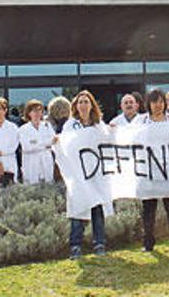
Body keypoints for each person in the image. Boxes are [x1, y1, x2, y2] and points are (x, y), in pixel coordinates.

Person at [63, 90, 111, 259]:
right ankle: (75, 246)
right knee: (78, 209)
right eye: (80, 102)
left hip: (96, 173)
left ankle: (99, 243)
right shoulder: (70, 125)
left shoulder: (99, 125)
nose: (83, 105)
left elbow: (108, 142)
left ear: (92, 105)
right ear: (75, 106)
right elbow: (66, 145)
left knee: (97, 208)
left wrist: (113, 132)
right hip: (78, 174)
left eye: (86, 102)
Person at [138, 89, 169, 252]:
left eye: (161, 102)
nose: (158, 105)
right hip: (148, 171)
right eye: (154, 102)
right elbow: (128, 137)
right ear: (148, 104)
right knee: (148, 210)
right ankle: (148, 243)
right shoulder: (141, 121)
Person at [18, 100, 56, 184]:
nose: (37, 113)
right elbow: (27, 147)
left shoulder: (47, 126)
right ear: (29, 113)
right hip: (31, 164)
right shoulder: (23, 129)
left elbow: (53, 141)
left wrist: (36, 142)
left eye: (40, 110)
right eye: (34, 110)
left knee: (49, 188)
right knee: (32, 191)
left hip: (46, 162)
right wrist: (46, 144)